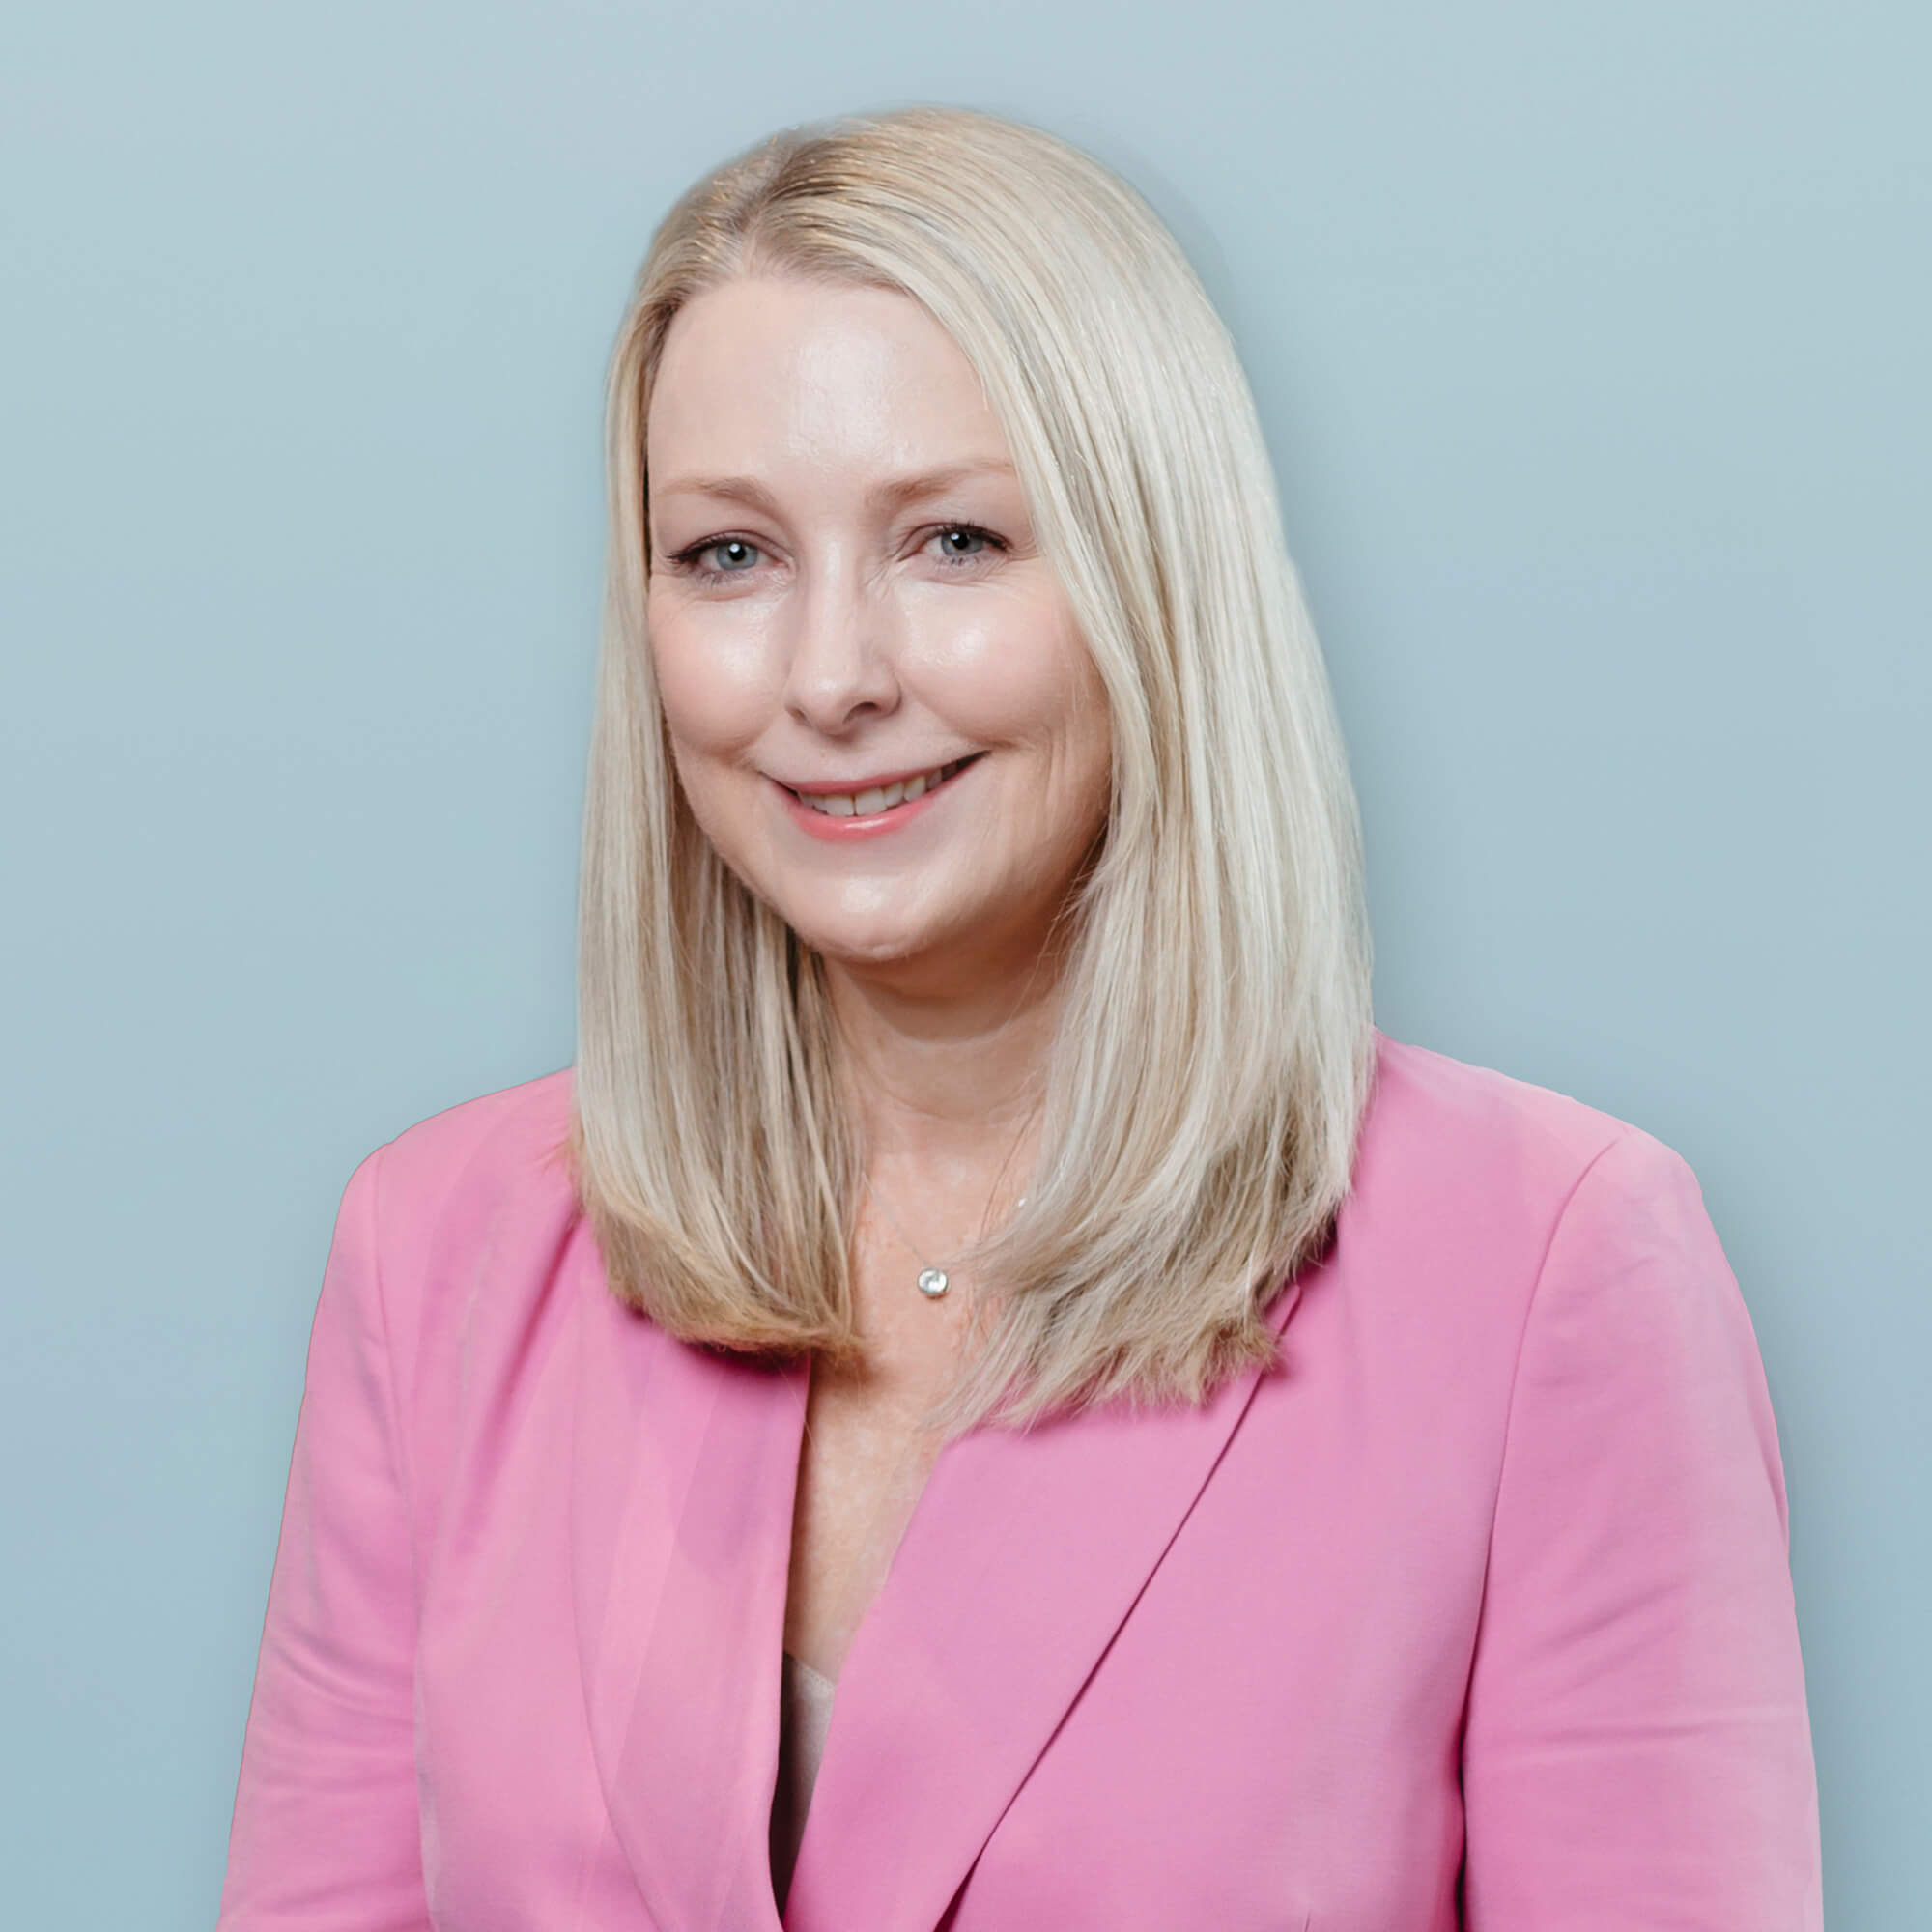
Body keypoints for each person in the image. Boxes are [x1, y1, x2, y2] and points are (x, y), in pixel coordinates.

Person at [217, 105, 1822, 1930]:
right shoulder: (434, 1252)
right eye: (729, 556)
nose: (831, 676)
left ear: (1155, 584)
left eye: (956, 540)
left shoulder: (1551, 1274)